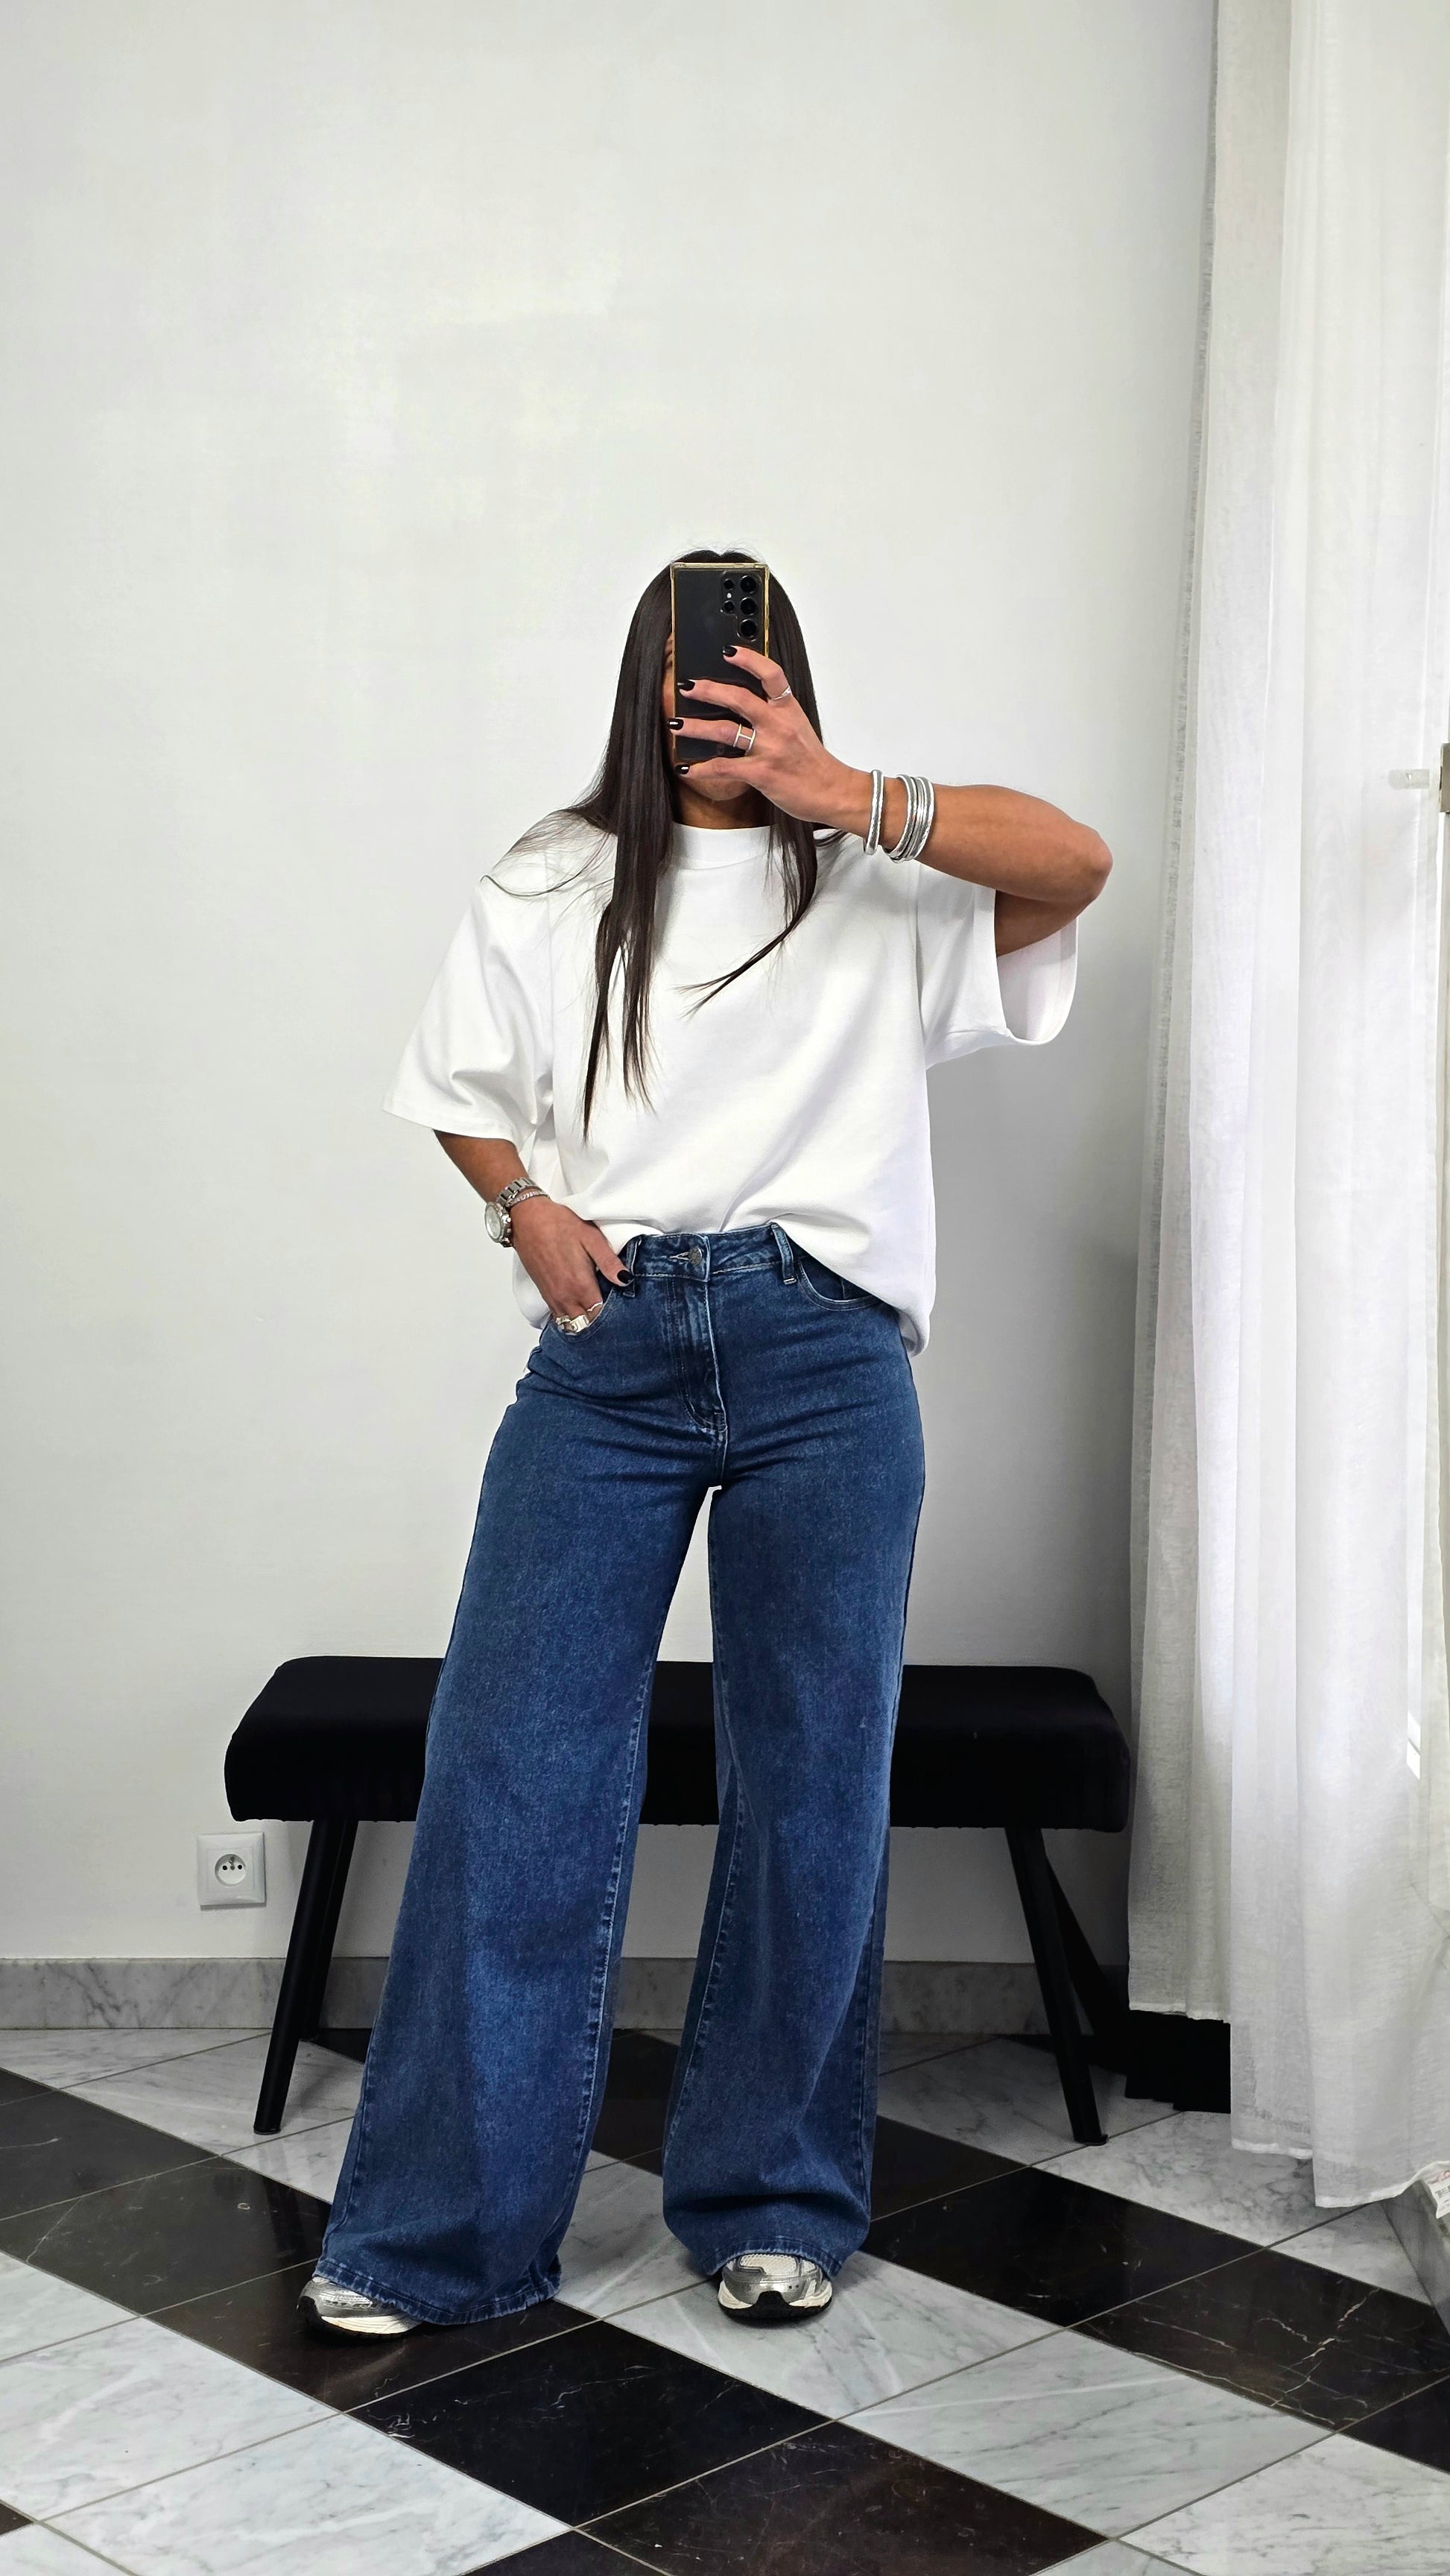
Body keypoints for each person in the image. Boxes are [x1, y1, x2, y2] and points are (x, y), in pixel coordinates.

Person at [301, 548, 1109, 2337]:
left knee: (811, 1786)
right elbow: (458, 1090)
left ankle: (773, 2202)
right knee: (513, 1771)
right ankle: (438, 2236)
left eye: (736, 666)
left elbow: (1076, 863)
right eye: (679, 666)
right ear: (640, 680)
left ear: (783, 676)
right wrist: (519, 1205)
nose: (705, 695)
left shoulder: (877, 875)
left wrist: (846, 790)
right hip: (613, 1347)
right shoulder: (553, 873)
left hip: (826, 1354)